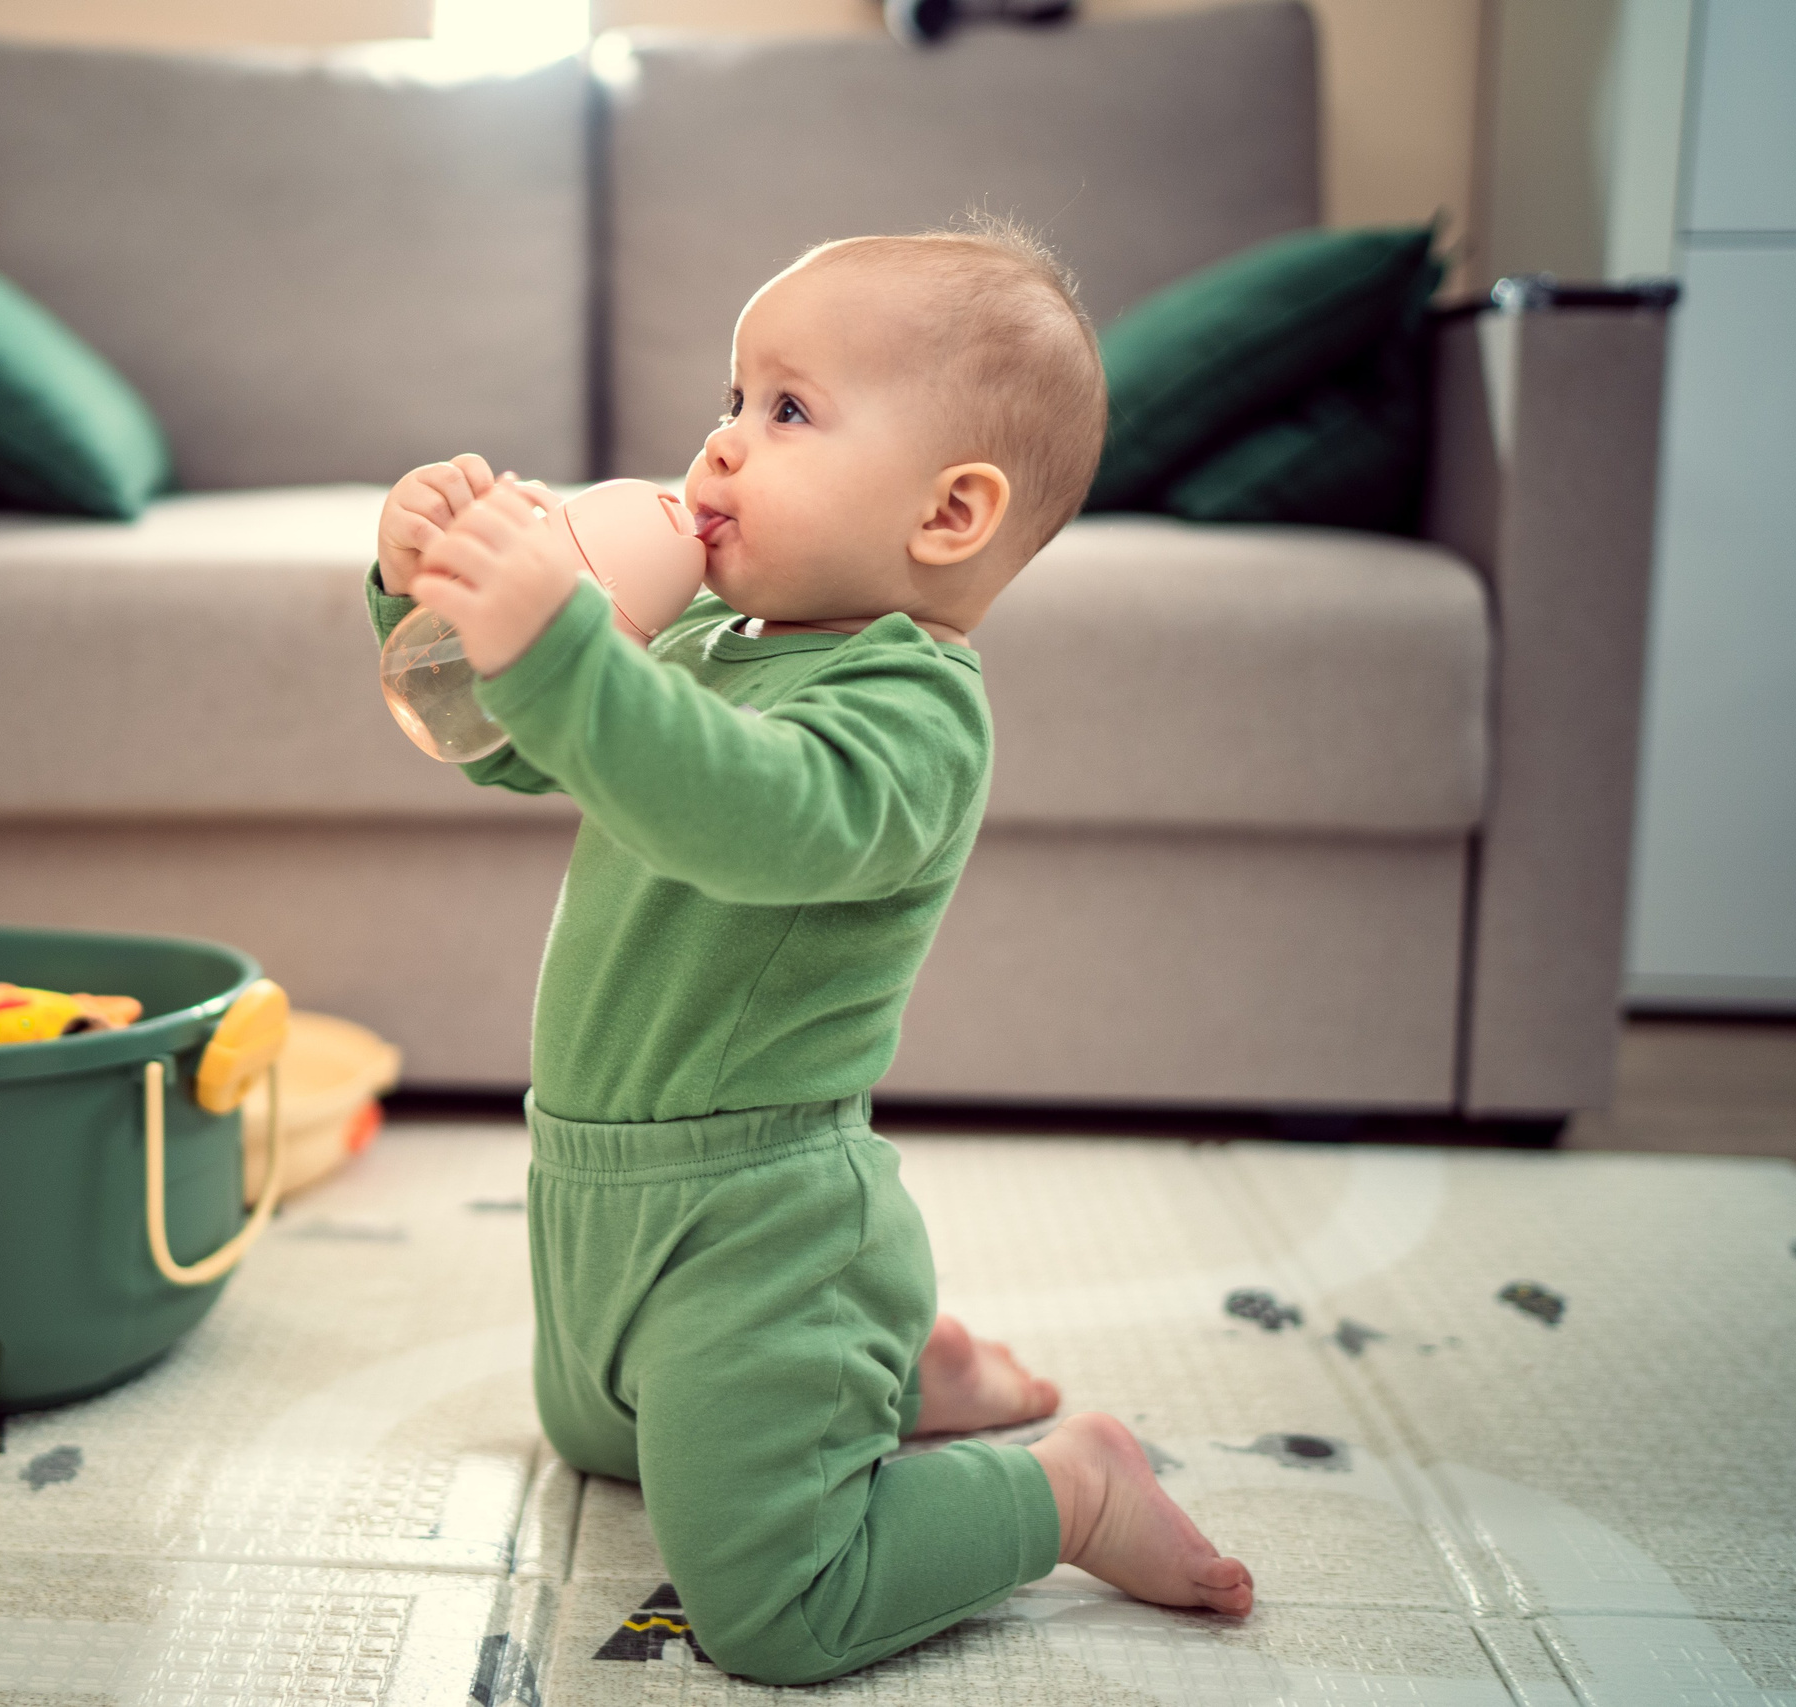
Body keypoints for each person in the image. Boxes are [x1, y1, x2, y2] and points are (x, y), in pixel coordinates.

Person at [365, 222, 1254, 1686]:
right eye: (729, 400)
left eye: (785, 411)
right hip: (595, 1187)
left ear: (950, 514)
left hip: (760, 1223)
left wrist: (569, 648)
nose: (719, 449)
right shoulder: (715, 637)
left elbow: (746, 813)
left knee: (777, 1607)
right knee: (598, 1435)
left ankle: (1063, 1489)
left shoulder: (915, 712)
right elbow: (515, 749)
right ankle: (904, 1375)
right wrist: (431, 592)